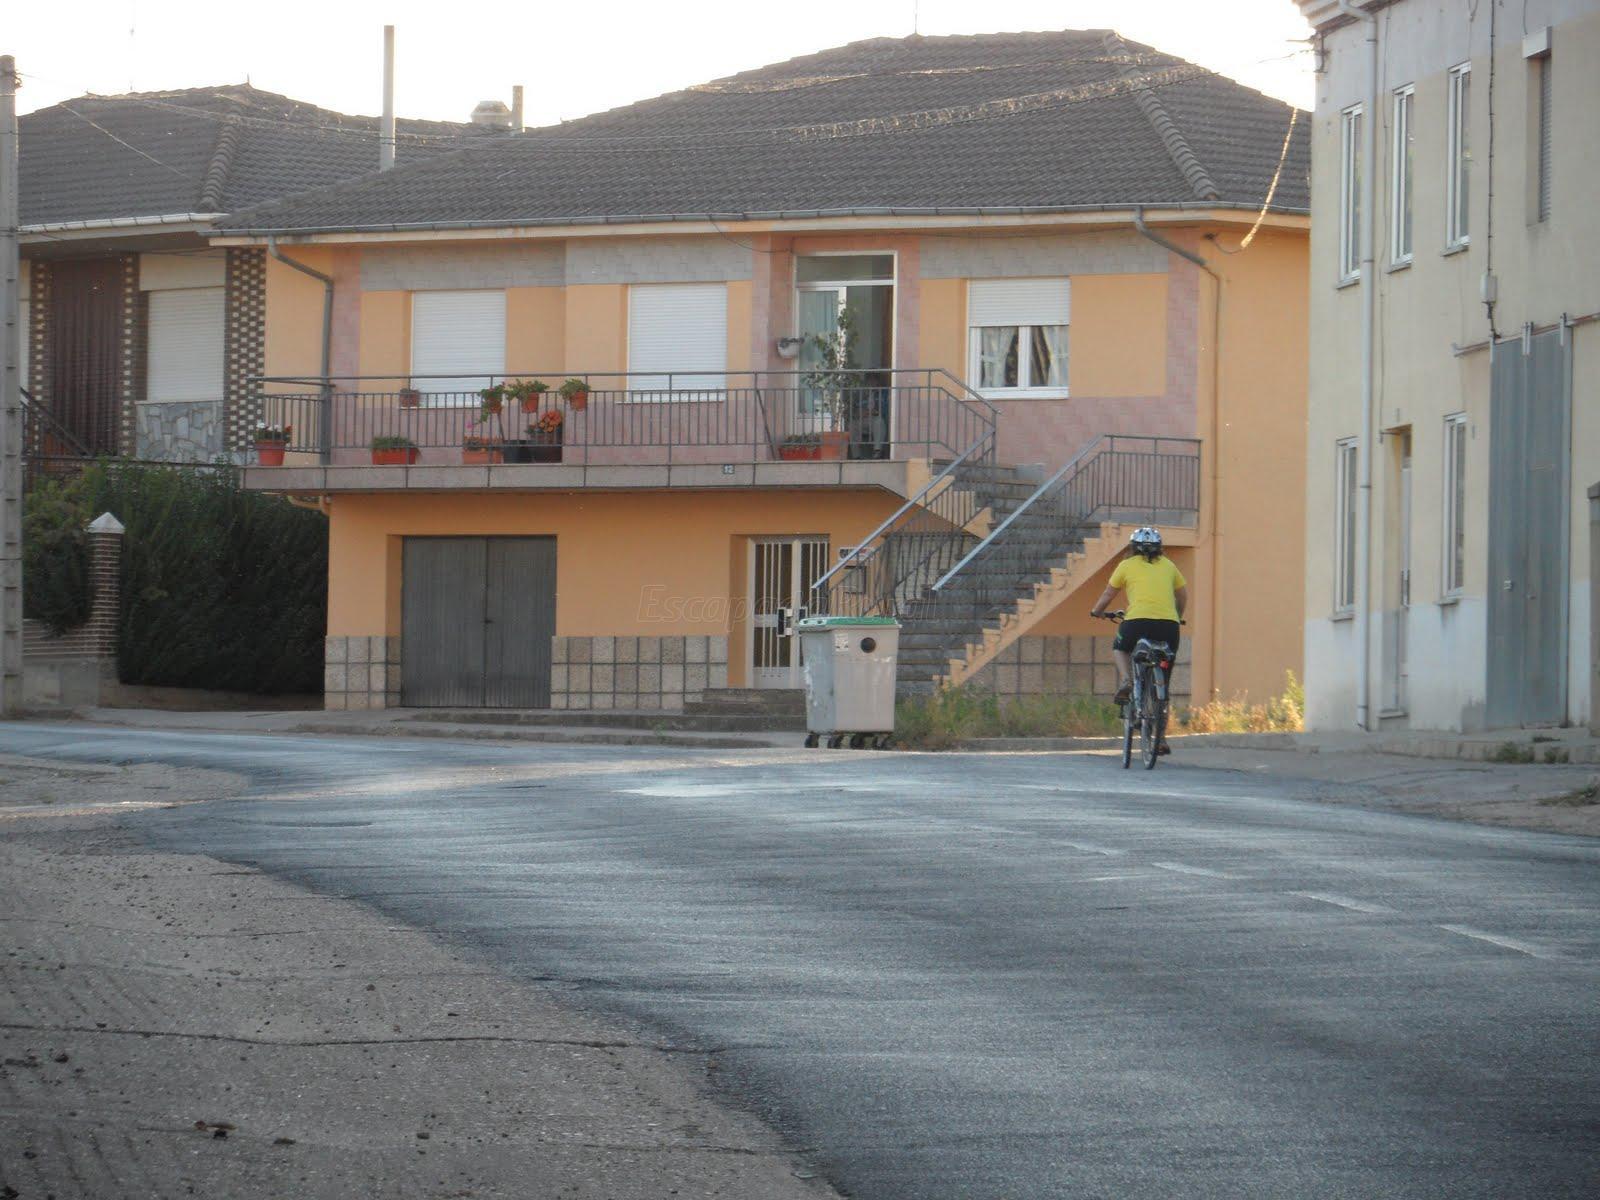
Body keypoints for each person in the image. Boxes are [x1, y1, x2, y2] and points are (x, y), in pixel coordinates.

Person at [1089, 527, 1186, 751]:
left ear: (1133, 548)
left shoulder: (1126, 565)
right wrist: (1176, 617)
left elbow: (1108, 594)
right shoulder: (1169, 565)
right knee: (1164, 686)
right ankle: (1161, 739)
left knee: (1120, 647)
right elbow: (1182, 596)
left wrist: (1097, 611)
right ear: (1159, 549)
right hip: (1169, 627)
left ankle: (1127, 680)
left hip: (1137, 624)